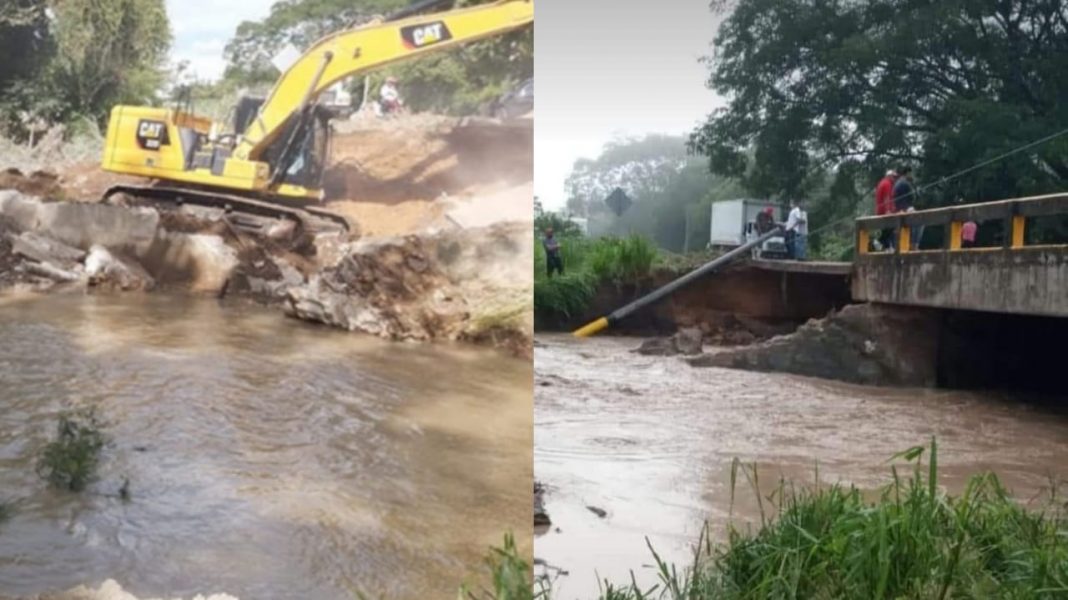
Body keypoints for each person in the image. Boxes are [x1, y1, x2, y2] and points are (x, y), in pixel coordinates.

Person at [892, 167, 922, 249]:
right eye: (911, 173)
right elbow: (913, 197)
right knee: (920, 221)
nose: (912, 175)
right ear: (908, 173)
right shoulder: (905, 183)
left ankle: (909, 244)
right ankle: (914, 244)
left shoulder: (897, 183)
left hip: (898, 209)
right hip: (905, 208)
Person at [874, 169, 898, 250]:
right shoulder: (887, 184)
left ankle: (887, 247)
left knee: (887, 229)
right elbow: (886, 198)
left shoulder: (882, 182)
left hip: (880, 210)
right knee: (892, 226)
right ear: (889, 176)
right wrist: (888, 211)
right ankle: (879, 241)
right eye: (894, 177)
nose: (895, 179)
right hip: (884, 211)